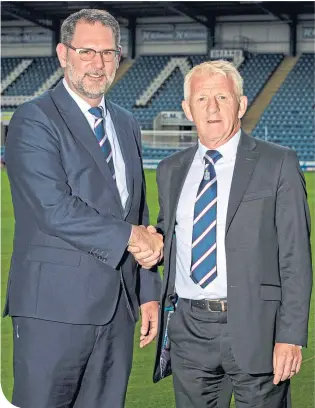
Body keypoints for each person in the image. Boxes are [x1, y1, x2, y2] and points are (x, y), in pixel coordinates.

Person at [3, 9, 163, 408]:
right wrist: (132, 237)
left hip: (118, 312)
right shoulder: (33, 118)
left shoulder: (127, 123)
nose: (98, 64)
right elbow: (53, 207)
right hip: (54, 311)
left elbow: (136, 210)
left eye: (108, 53)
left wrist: (147, 292)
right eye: (87, 51)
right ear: (63, 53)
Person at [149, 60, 312, 407]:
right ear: (186, 109)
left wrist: (290, 335)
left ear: (241, 103)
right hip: (189, 330)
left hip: (258, 327)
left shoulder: (277, 162)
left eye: (222, 97)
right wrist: (150, 242)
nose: (211, 107)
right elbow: (170, 236)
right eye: (202, 98)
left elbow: (295, 254)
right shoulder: (170, 169)